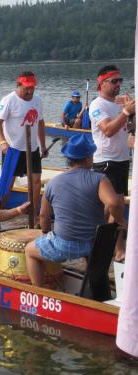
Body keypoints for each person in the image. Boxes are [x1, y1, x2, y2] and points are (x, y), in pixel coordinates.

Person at [25, 134, 125, 286]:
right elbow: (114, 203)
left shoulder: (53, 183)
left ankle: (38, 292)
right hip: (92, 243)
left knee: (29, 251)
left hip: (63, 244)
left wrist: (46, 233)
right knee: (94, 255)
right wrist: (118, 220)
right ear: (88, 159)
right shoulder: (99, 179)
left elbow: (44, 215)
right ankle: (94, 288)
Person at [89, 65, 135, 261]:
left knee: (115, 206)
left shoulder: (119, 103)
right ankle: (118, 249)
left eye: (120, 81)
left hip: (122, 160)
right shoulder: (97, 105)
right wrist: (125, 112)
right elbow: (107, 130)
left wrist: (132, 111)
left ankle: (108, 248)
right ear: (102, 83)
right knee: (113, 206)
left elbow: (131, 128)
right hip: (105, 161)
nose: (118, 85)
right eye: (114, 81)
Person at [0, 71, 47, 224]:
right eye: (27, 88)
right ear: (19, 85)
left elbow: (41, 123)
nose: (30, 91)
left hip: (33, 149)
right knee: (7, 184)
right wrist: (2, 142)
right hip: (13, 149)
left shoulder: (38, 101)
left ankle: (33, 216)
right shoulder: (9, 100)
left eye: (32, 88)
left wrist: (43, 145)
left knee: (36, 182)